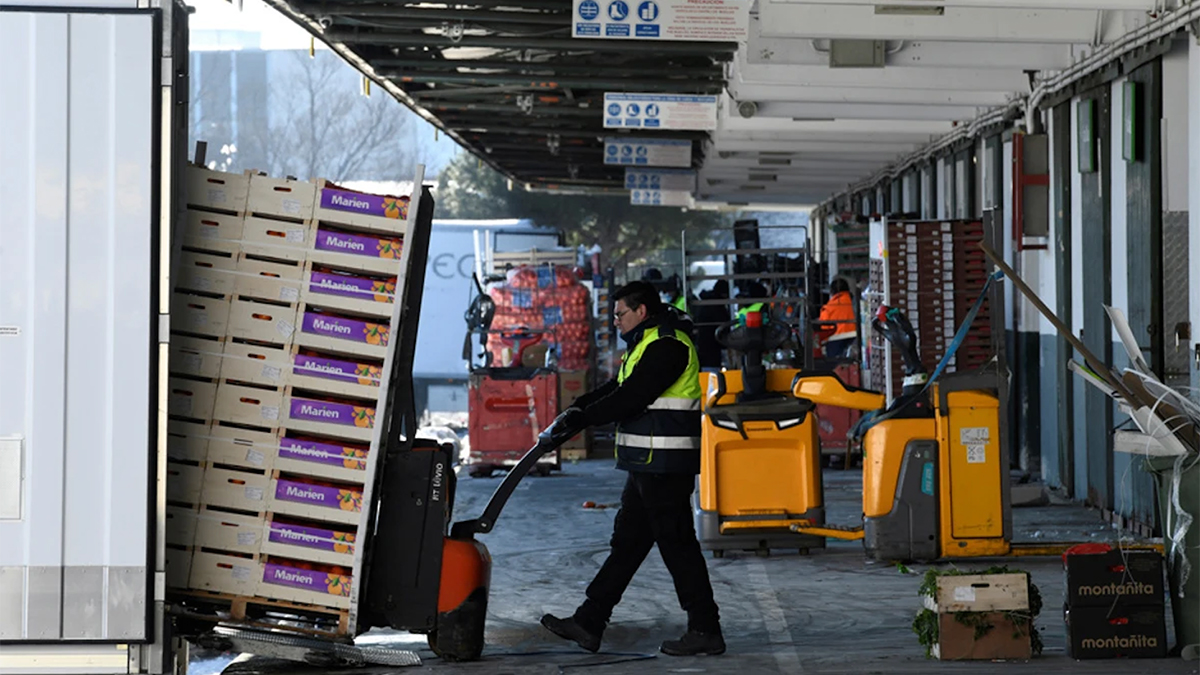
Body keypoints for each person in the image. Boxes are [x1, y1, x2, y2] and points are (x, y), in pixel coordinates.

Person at [541, 281, 724, 657]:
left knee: (677, 547)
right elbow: (617, 386)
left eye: (620, 314)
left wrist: (584, 418)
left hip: (665, 465)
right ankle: (589, 621)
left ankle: (705, 628)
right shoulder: (647, 342)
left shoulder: (668, 345)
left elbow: (633, 396)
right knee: (628, 544)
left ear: (641, 311)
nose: (616, 322)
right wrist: (579, 407)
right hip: (646, 464)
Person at [817, 278, 857, 359]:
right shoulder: (853, 302)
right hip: (855, 337)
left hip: (835, 339)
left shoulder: (829, 307)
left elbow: (823, 328)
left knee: (835, 365)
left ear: (832, 292)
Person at [695, 279, 730, 370]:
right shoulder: (717, 307)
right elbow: (724, 328)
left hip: (703, 349)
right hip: (712, 351)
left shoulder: (706, 303)